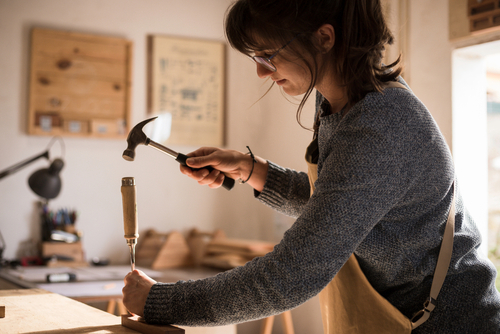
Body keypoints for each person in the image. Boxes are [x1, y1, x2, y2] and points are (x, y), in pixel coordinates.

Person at [122, 0, 500, 332]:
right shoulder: (338, 107)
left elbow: (289, 277)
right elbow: (340, 205)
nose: (261, 71)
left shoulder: (380, 124)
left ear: (324, 37)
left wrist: (159, 301)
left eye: (268, 54)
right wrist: (249, 169)